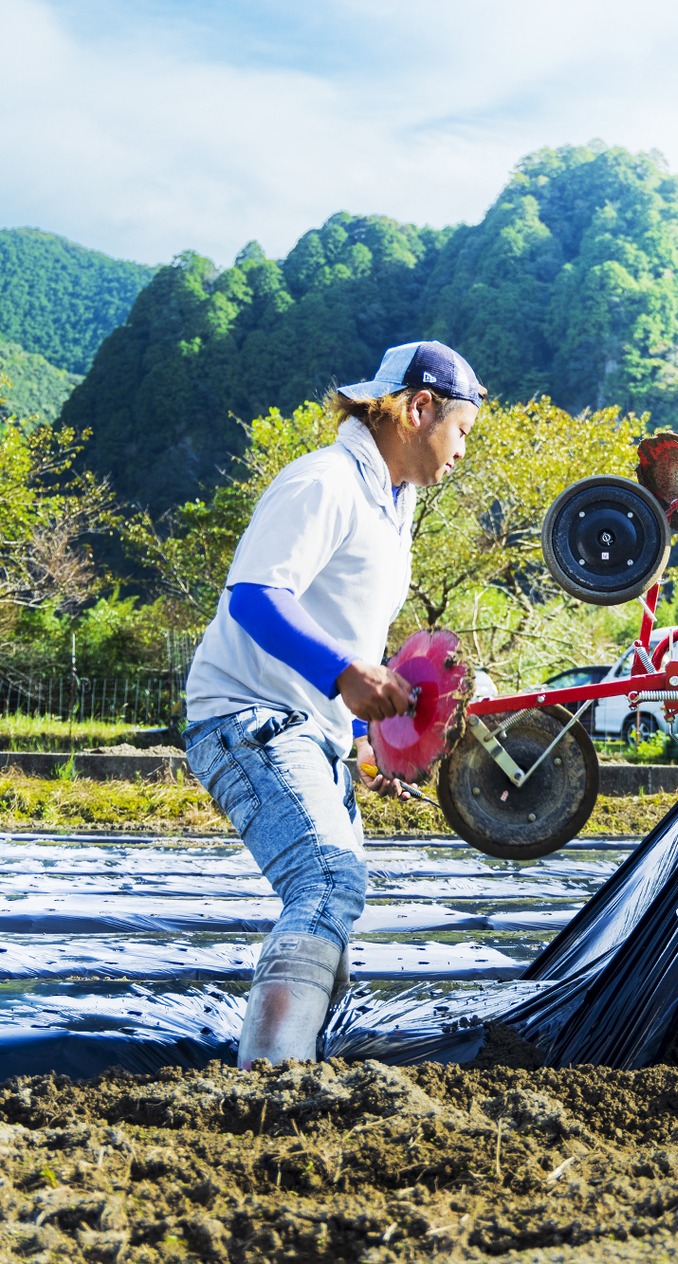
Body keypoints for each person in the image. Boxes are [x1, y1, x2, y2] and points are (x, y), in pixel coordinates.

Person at [182, 340, 485, 1068]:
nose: (463, 452)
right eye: (464, 430)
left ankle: (305, 1058)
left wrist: (366, 733)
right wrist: (346, 672)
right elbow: (255, 597)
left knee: (338, 907)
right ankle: (268, 1079)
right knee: (325, 880)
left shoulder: (393, 503)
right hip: (246, 715)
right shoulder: (325, 482)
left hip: (312, 729)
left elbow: (342, 621)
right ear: (420, 409)